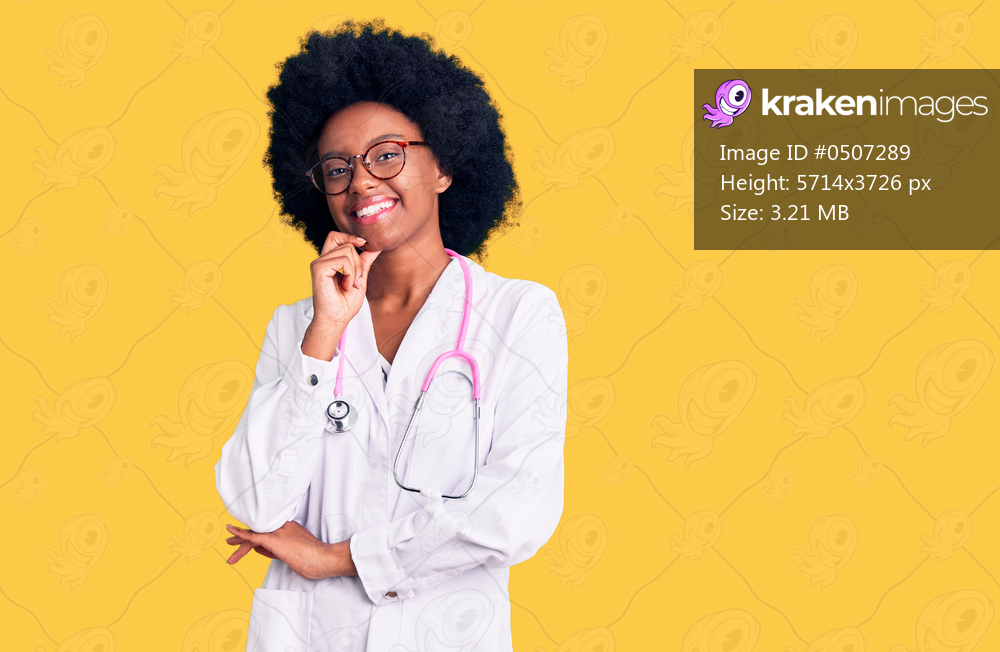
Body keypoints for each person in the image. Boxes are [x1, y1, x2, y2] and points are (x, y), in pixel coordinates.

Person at [214, 18, 569, 651]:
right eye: (337, 168)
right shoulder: (297, 327)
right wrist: (325, 330)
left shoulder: (519, 315)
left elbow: (518, 509)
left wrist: (340, 558)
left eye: (387, 155)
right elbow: (255, 500)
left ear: (444, 168)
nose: (361, 182)